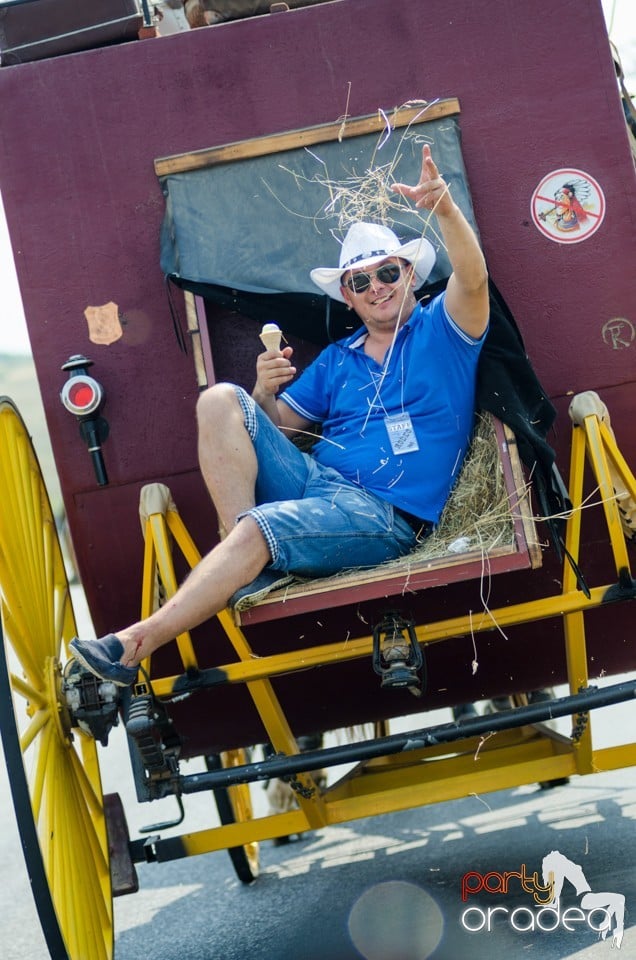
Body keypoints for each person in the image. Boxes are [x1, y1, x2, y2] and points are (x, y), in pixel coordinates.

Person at [70, 144, 489, 686]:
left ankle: (129, 647)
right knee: (220, 400)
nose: (376, 287)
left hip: (384, 517)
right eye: (360, 282)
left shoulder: (444, 329)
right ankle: (246, 555)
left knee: (261, 528)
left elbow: (474, 280)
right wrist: (263, 392)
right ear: (348, 297)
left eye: (387, 272)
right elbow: (275, 432)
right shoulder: (339, 359)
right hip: (318, 485)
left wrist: (445, 211)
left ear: (410, 273)